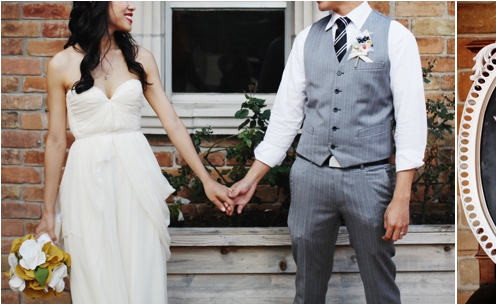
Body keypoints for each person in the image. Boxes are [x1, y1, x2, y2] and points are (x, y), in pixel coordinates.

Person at [228, 1, 427, 303]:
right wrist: (252, 179)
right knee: (307, 286)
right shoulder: (307, 39)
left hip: (369, 177)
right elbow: (286, 116)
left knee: (380, 286)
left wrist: (401, 198)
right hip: (310, 176)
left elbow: (410, 123)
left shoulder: (396, 37)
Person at [34, 2, 232, 303]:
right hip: (86, 181)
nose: (132, 5)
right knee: (95, 272)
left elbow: (173, 123)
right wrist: (48, 214)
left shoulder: (141, 59)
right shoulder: (61, 64)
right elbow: (57, 140)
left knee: (142, 268)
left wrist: (206, 180)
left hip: (135, 179)